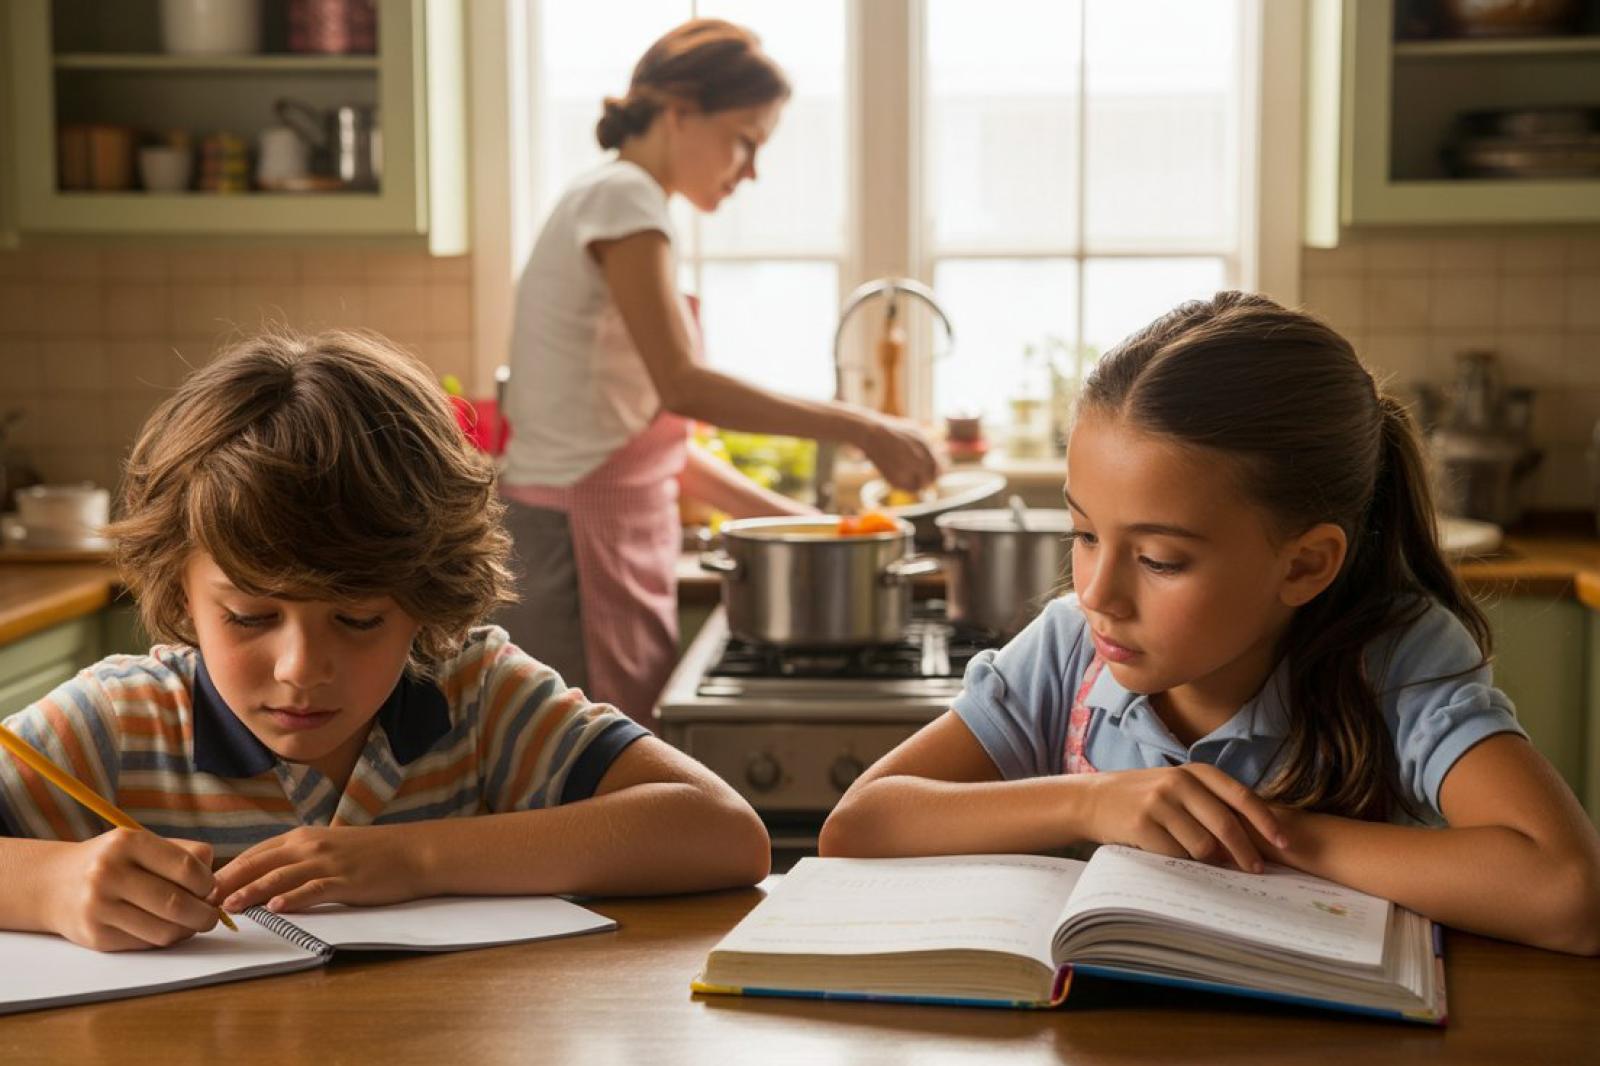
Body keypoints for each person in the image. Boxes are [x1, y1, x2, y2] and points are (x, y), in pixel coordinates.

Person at [820, 291, 1600, 955]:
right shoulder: (1068, 648)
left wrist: (1269, 833)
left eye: (1159, 560)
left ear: (1304, 565)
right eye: (1085, 534)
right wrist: (1091, 802)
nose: (1098, 592)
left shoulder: (1395, 657)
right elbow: (858, 826)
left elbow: (1567, 892)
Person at [0, 330, 771, 952]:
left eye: (359, 620)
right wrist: (51, 886)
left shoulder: (477, 696)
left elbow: (723, 833)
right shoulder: (116, 724)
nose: (302, 670)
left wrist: (412, 858)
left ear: (426, 597)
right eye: (251, 617)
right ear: (181, 592)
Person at [499, 18, 939, 724]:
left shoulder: (615, 198)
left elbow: (657, 458)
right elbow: (685, 386)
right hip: (570, 550)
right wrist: (864, 427)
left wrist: (828, 530)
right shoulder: (624, 198)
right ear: (679, 111)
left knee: (614, 771)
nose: (751, 170)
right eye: (744, 140)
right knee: (580, 778)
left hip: (593, 537)